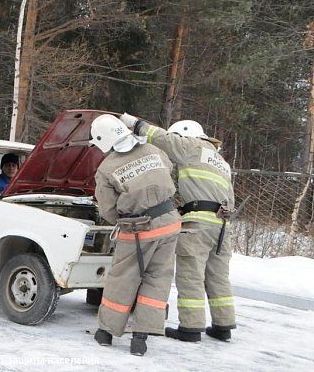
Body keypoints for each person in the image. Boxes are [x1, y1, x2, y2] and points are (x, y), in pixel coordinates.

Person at [120, 113, 236, 343]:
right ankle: (223, 326)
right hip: (222, 225)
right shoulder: (220, 162)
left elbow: (163, 139)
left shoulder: (192, 146)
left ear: (185, 135)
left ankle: (190, 329)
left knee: (190, 275)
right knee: (218, 276)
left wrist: (137, 125)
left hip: (198, 224)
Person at [90, 114, 181, 356]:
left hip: (138, 229)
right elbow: (167, 169)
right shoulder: (152, 149)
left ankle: (106, 333)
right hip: (170, 223)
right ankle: (140, 338)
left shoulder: (107, 167)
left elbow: (108, 210)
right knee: (157, 278)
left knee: (123, 278)